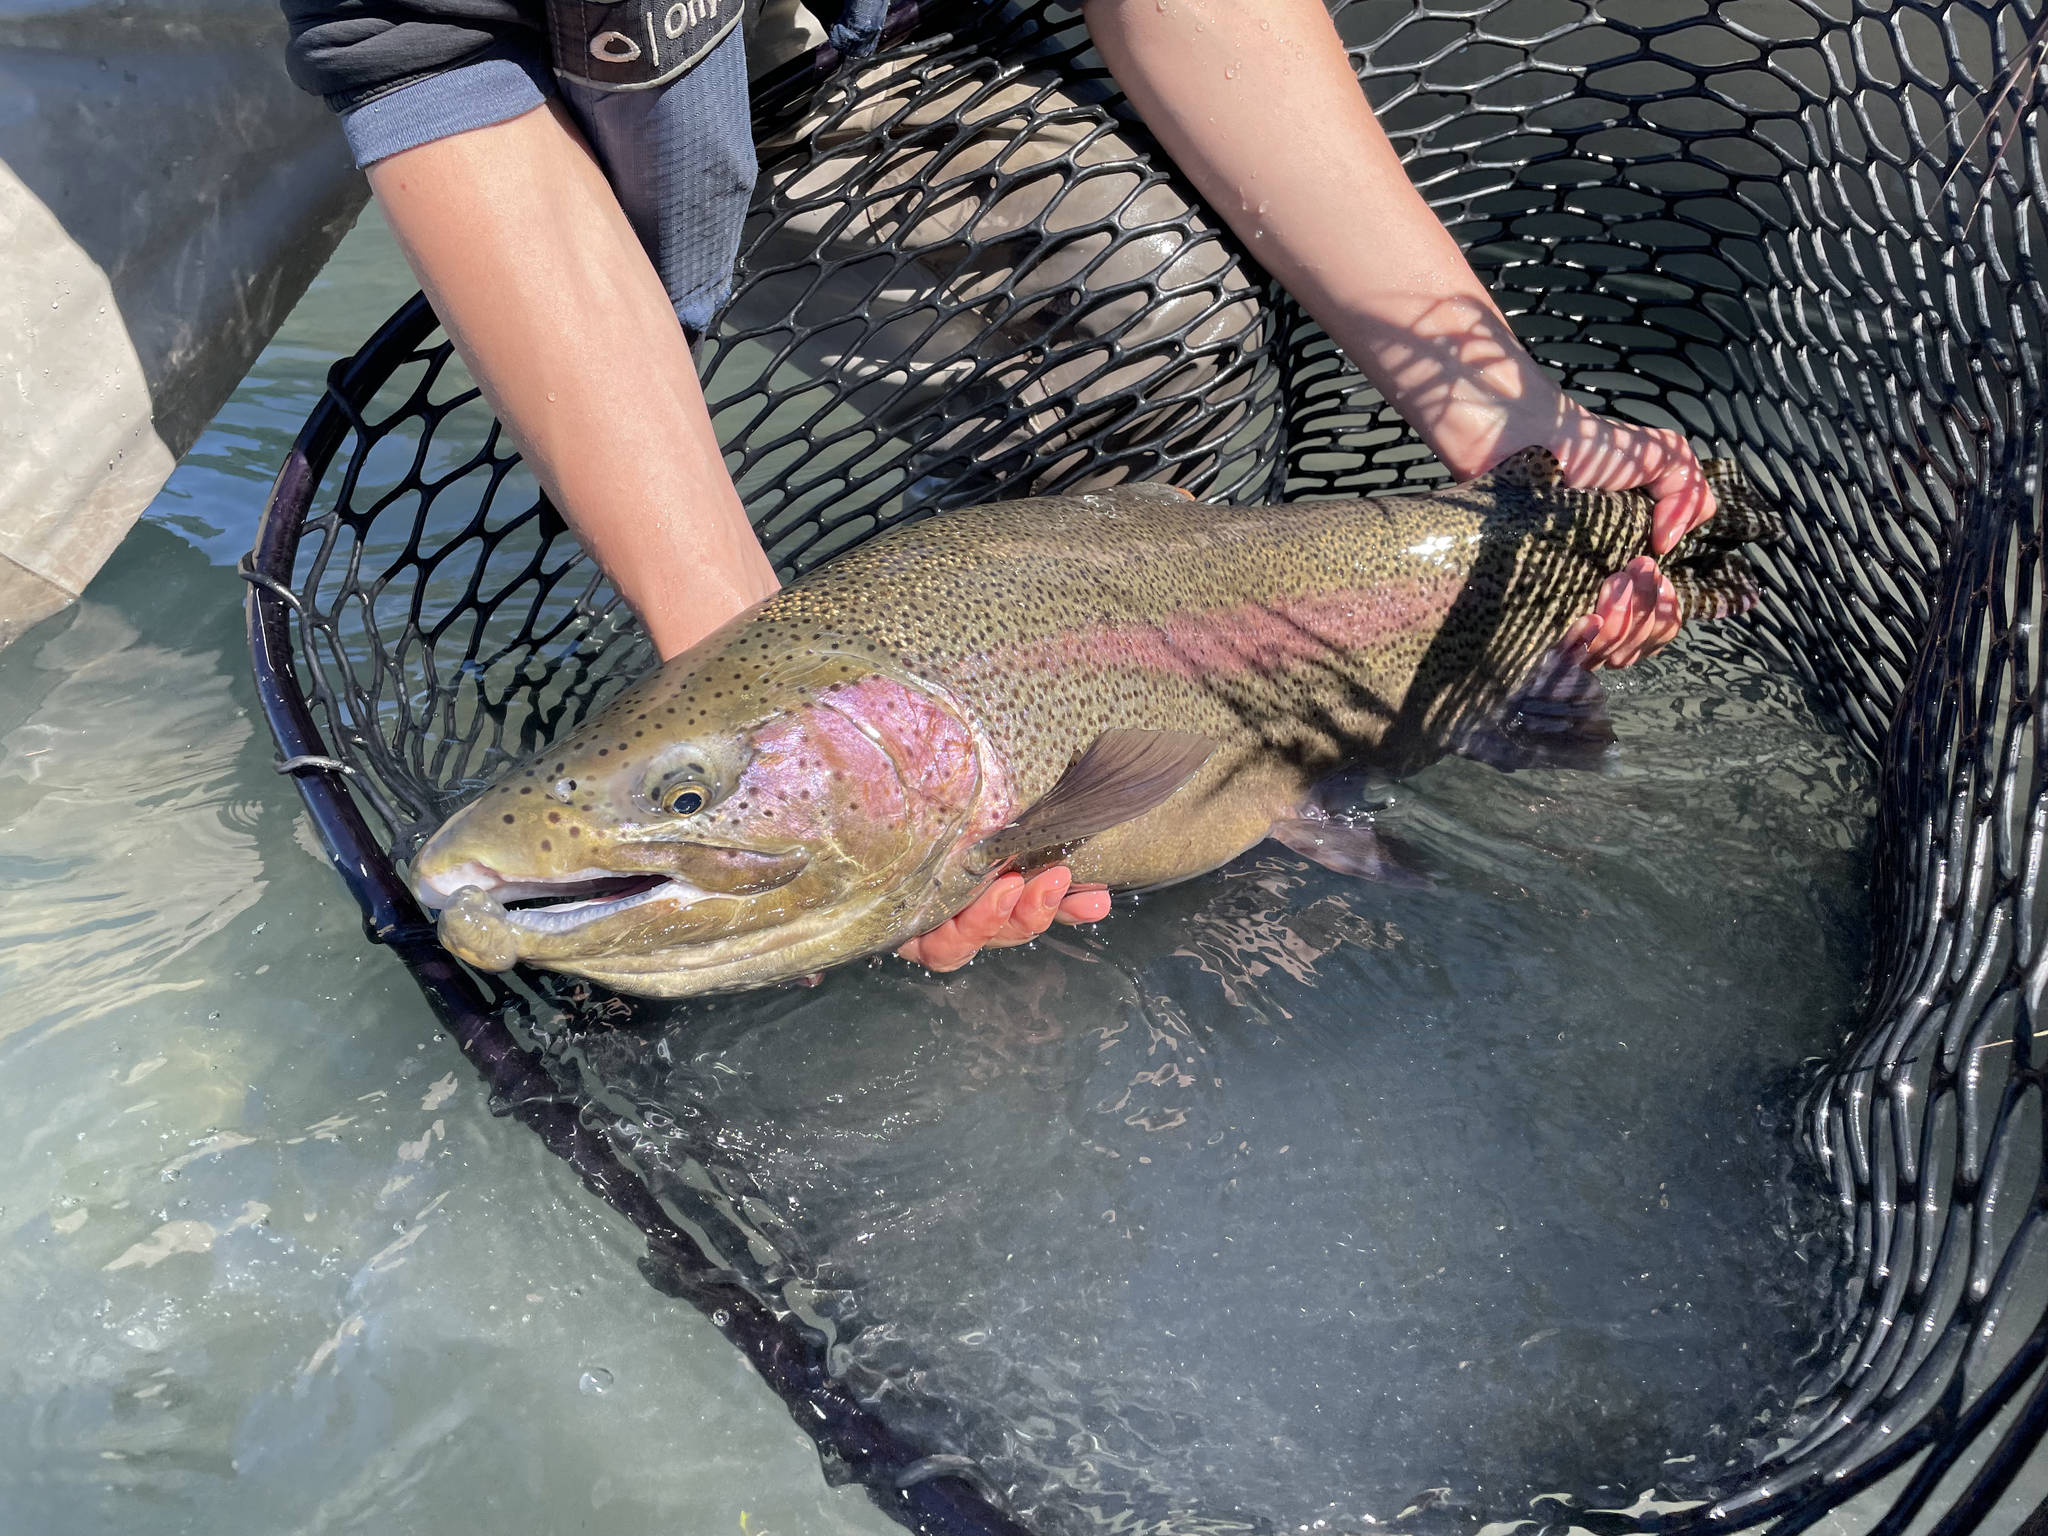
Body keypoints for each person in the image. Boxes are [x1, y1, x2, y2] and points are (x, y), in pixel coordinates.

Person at [281, 0, 1715, 972]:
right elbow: (435, 65)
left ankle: (1302, 770)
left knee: (1167, 327)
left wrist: (1508, 419)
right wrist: (734, 648)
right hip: (633, 59)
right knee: (1136, 328)